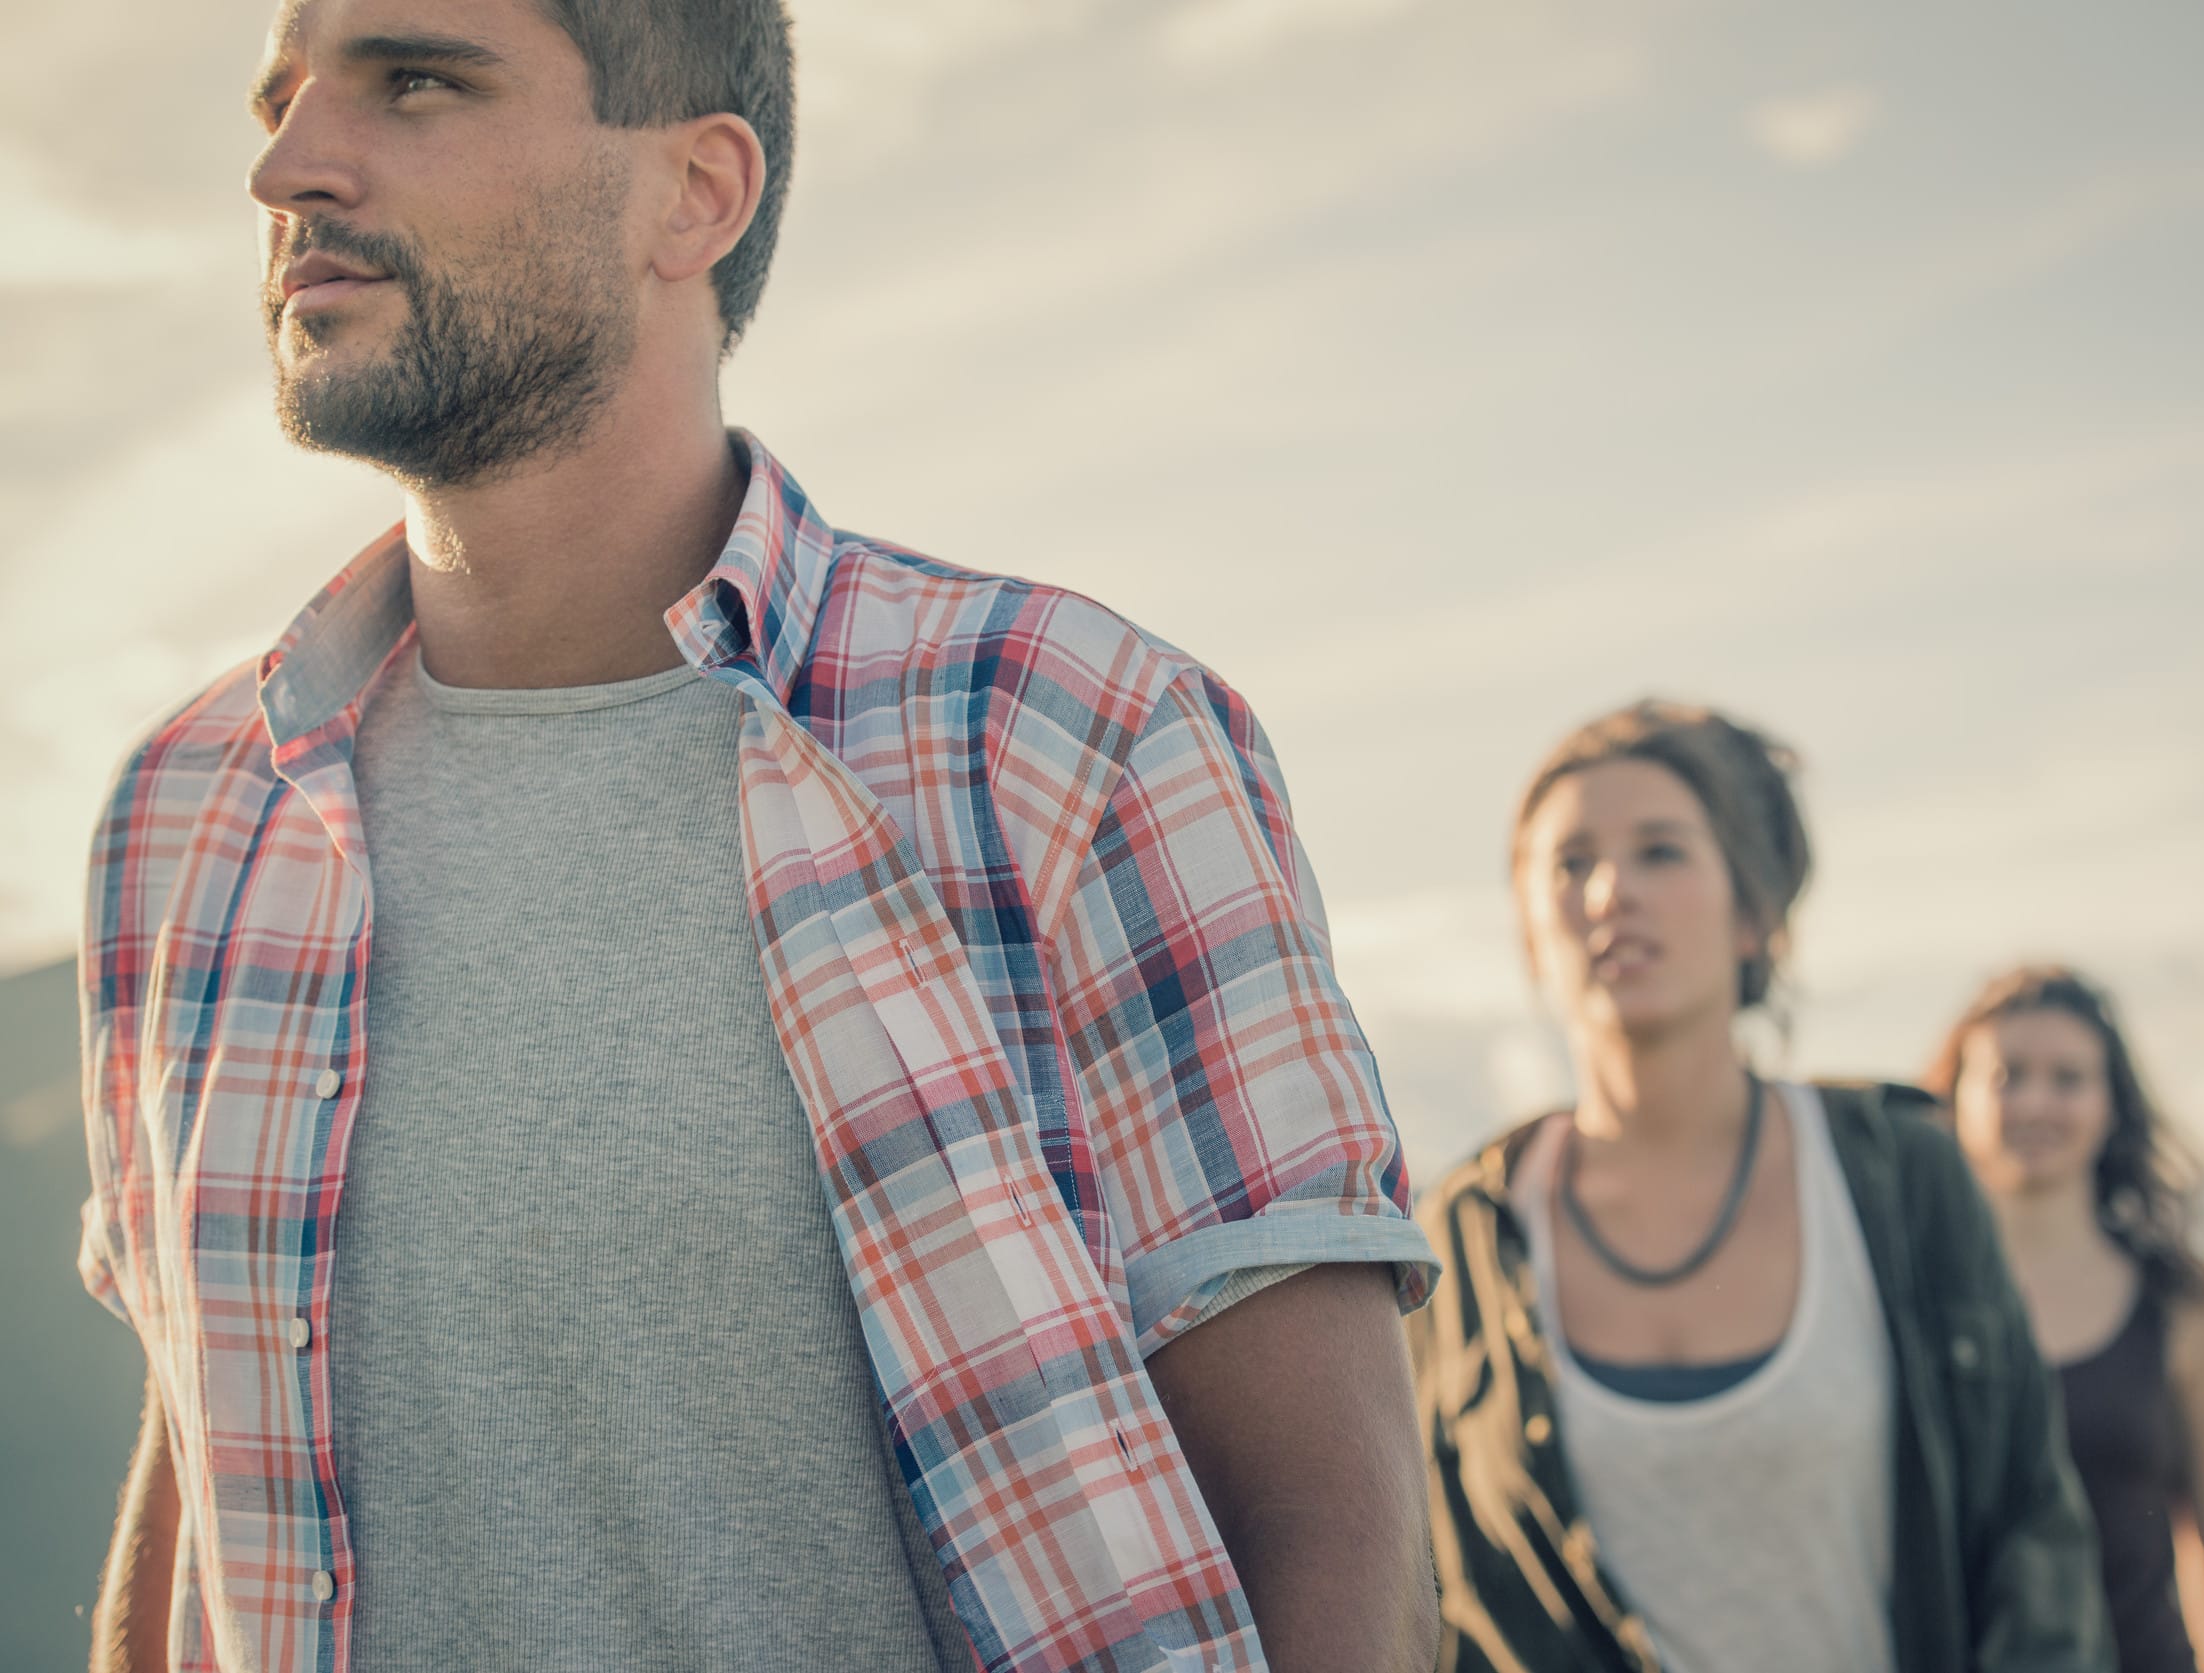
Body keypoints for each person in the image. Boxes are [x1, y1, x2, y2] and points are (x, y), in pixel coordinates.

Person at [73, 2, 1439, 1670]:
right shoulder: (188, 815)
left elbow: (1334, 1540)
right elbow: (196, 1500)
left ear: (695, 195)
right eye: (282, 101)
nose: (285, 166)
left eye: (415, 80)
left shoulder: (1062, 733)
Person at [1408, 699, 2114, 1673]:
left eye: (1659, 850)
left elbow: (2032, 1533)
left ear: (1753, 912)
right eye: (1569, 862)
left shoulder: (1899, 1172)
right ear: (1528, 928)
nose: (1611, 889)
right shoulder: (1461, 1238)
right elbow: (1432, 1602)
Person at [1927, 966, 2204, 1673]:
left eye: (2067, 1078)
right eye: (2006, 1075)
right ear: (1955, 1097)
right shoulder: (1908, 1295)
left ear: (2110, 1103)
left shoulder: (2182, 1304)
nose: (2035, 1101)